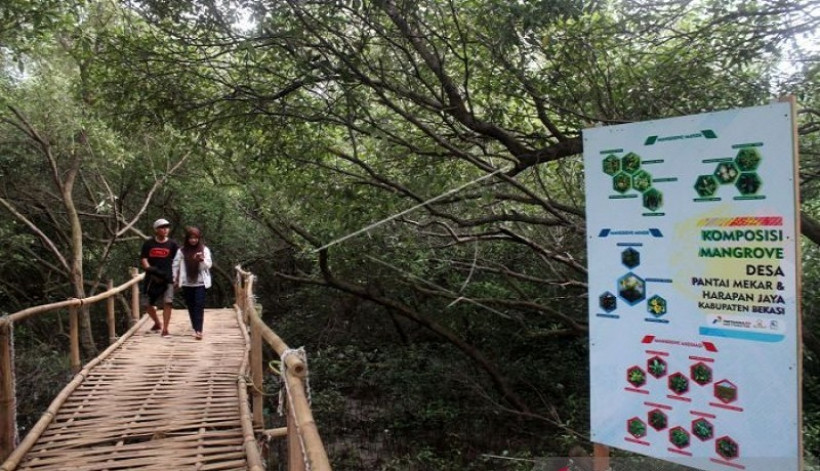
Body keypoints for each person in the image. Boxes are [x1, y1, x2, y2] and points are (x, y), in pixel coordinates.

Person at [140, 218, 179, 337]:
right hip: (151, 278)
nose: (165, 229)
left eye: (167, 227)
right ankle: (157, 323)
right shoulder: (148, 243)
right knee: (146, 303)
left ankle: (165, 329)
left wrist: (176, 277)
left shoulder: (172, 244)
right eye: (162, 227)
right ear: (156, 229)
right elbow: (144, 258)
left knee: (168, 302)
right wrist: (149, 269)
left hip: (168, 278)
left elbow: (177, 261)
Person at [172, 226, 213, 340]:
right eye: (191, 238)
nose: (193, 240)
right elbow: (175, 265)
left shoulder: (204, 250)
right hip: (187, 283)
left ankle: (199, 330)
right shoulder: (181, 251)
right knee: (191, 306)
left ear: (199, 238)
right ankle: (195, 328)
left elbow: (208, 265)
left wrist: (201, 260)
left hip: (200, 283)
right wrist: (174, 277)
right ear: (187, 239)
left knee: (199, 305)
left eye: (195, 238)